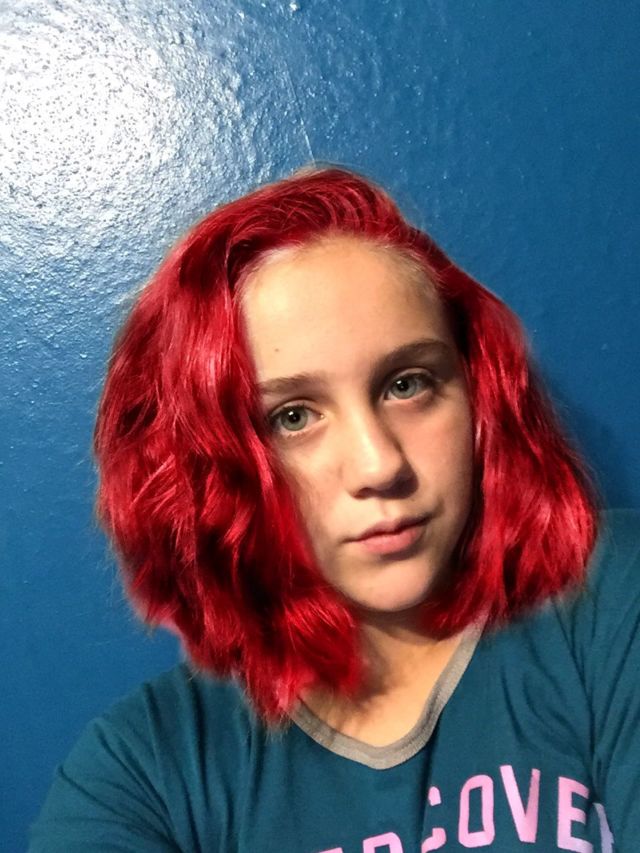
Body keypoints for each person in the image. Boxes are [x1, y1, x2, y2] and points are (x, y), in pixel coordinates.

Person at [29, 166, 639, 852]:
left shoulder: (606, 598)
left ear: (477, 391)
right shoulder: (144, 773)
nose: (380, 465)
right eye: (292, 417)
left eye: (407, 384)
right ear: (201, 468)